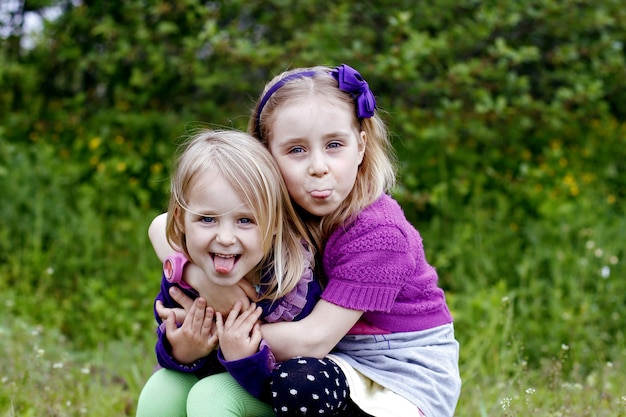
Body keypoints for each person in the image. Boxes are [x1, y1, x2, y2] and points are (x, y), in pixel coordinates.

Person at [153, 64, 461, 416]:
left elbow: (313, 340)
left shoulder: (380, 233)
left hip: (396, 372)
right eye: (296, 150)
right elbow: (162, 225)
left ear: (361, 146)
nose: (318, 167)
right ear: (266, 153)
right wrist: (202, 279)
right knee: (183, 390)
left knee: (299, 383)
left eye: (334, 145)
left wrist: (219, 325)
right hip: (326, 358)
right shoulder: (279, 206)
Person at [135, 129, 322, 417]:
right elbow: (169, 334)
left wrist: (244, 358)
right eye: (207, 219)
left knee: (211, 396)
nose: (225, 237)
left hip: (268, 396)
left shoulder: (288, 282)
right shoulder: (186, 274)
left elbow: (298, 384)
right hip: (206, 382)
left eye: (245, 220)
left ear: (273, 224)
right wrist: (184, 350)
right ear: (180, 220)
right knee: (162, 388)